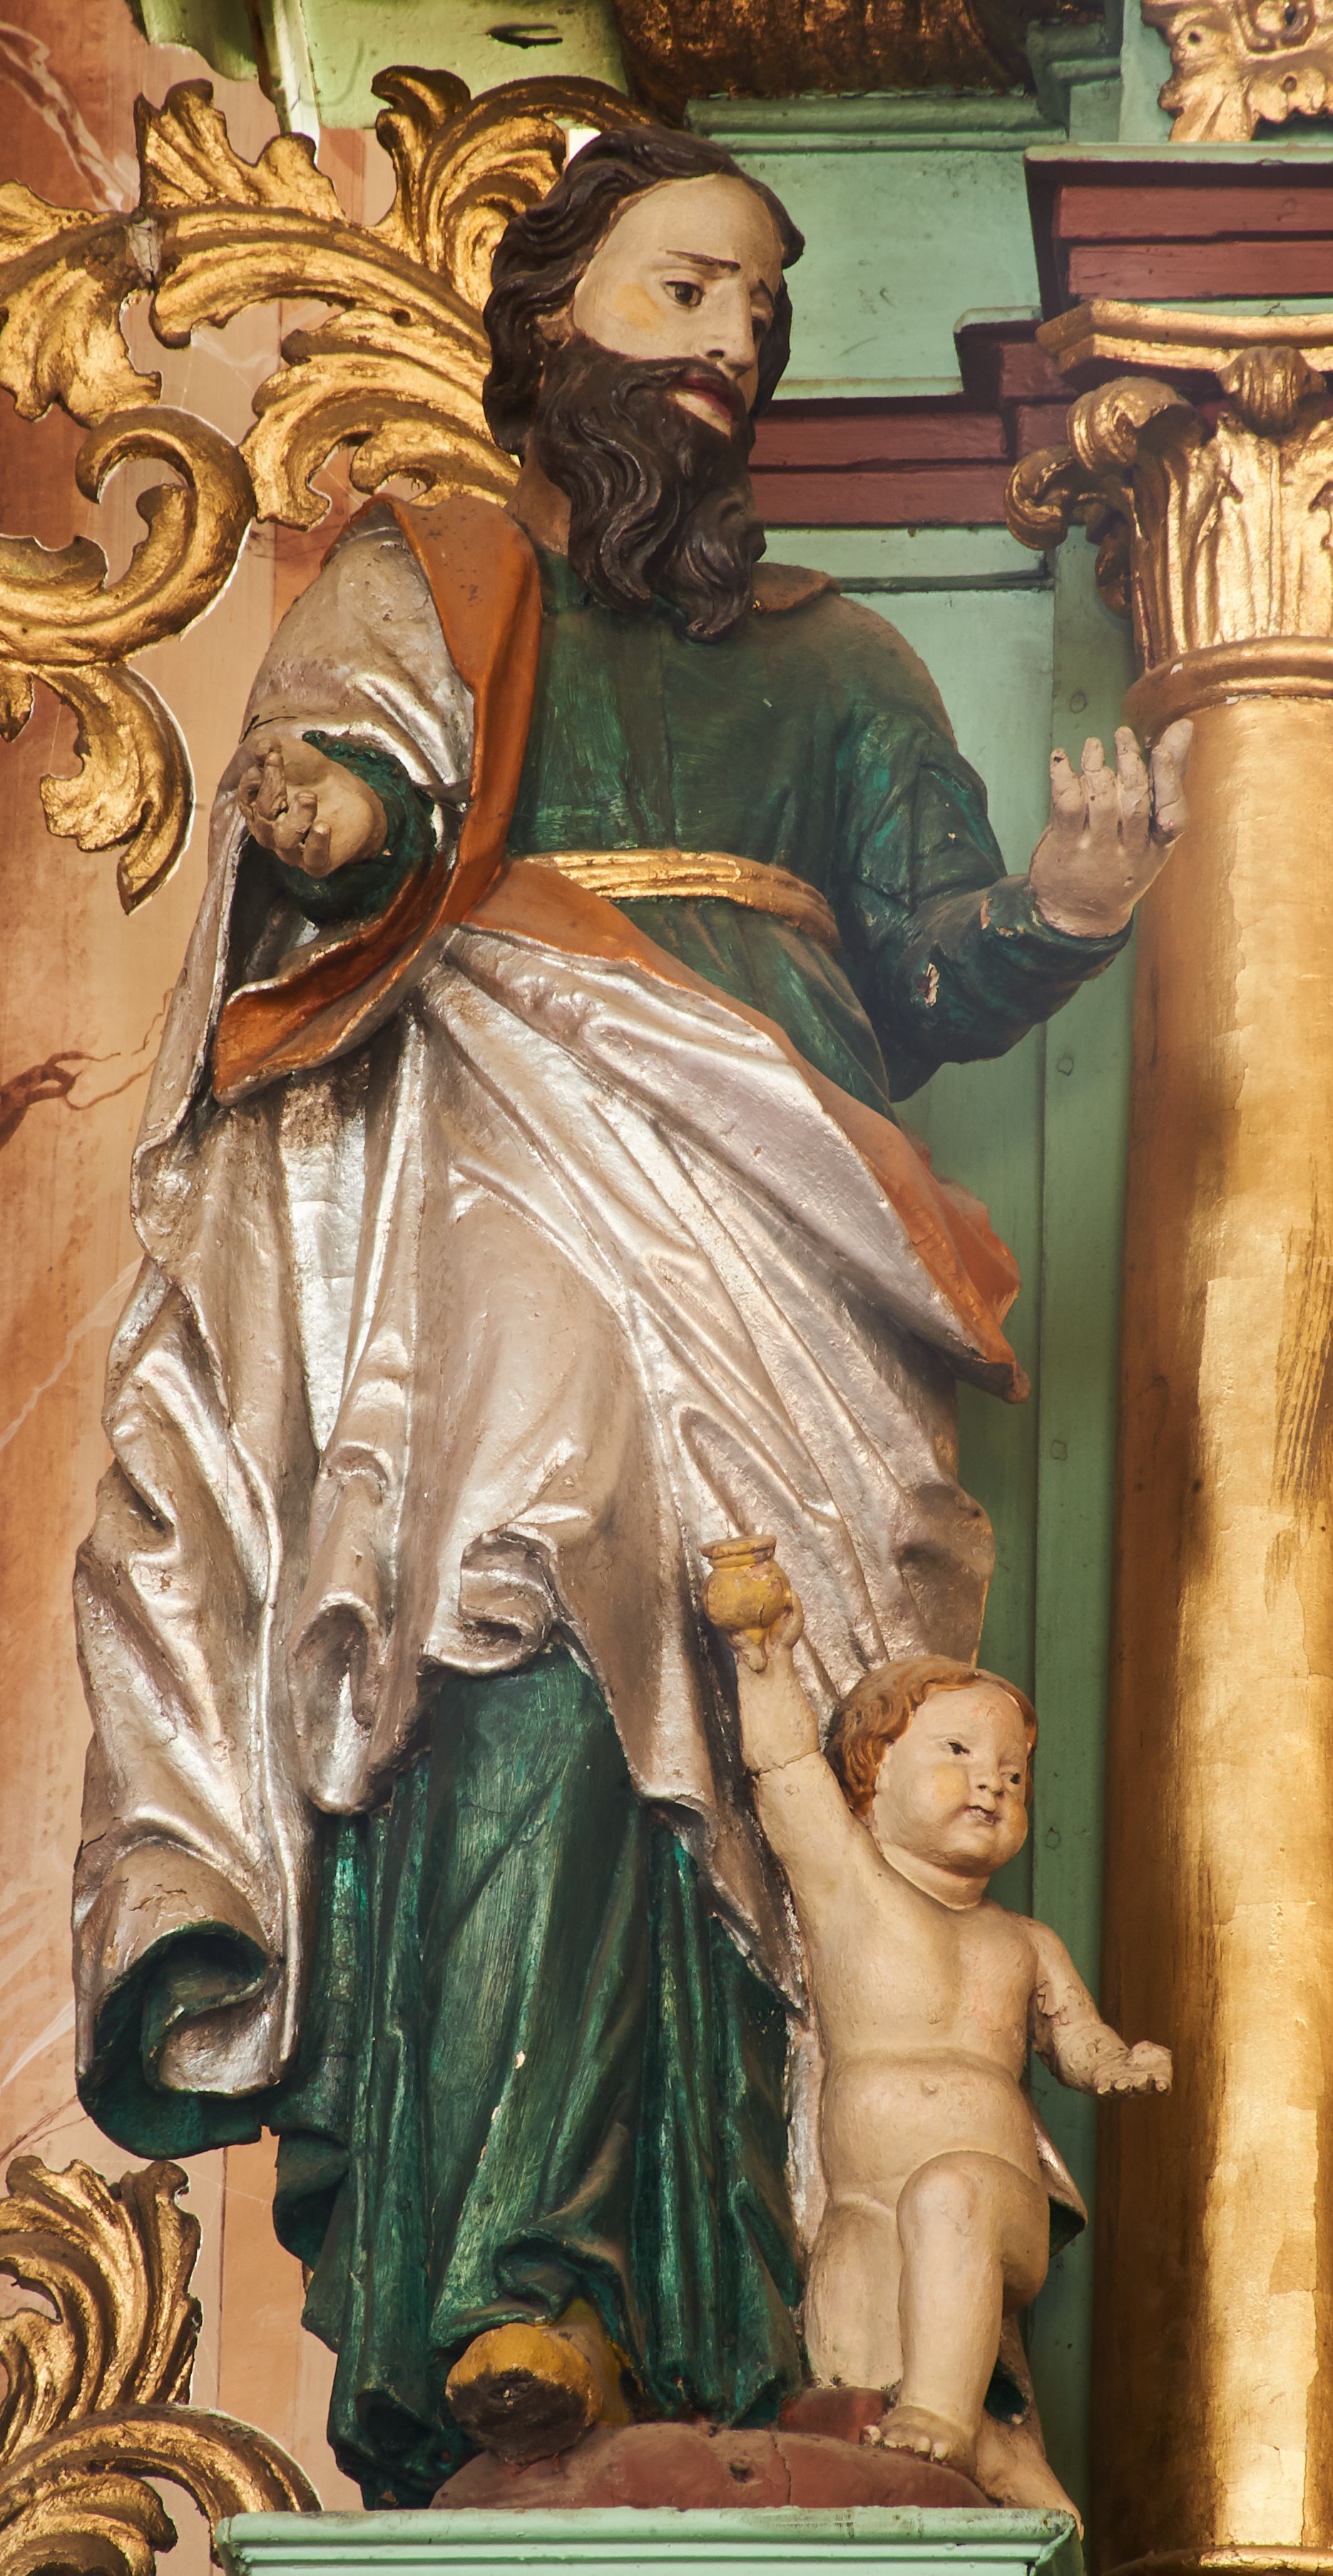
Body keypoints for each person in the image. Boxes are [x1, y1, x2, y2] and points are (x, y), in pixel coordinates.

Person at [72, 124, 1189, 2503]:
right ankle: (519, 2275)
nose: (731, 345)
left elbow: (933, 959)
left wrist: (1071, 905)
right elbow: (343, 794)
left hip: (795, 1233)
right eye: (686, 289)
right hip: (500, 1188)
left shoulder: (843, 660)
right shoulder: (434, 582)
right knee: (528, 1660)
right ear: (553, 316)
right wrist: (333, 816)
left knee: (814, 1749)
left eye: (760, 312)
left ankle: (778, 2325)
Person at [709, 1577, 1171, 2509]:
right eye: (957, 1752)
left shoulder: (1023, 1942)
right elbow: (786, 1768)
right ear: (870, 1774)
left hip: (989, 2201)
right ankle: (996, 2452)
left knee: (948, 2197)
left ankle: (949, 2419)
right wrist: (764, 1660)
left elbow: (1073, 2035)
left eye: (1013, 1773)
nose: (992, 1780)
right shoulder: (849, 1889)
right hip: (861, 2204)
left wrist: (1115, 2062)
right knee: (851, 2382)